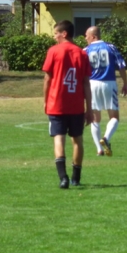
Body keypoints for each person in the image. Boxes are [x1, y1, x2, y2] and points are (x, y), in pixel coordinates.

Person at [42, 20, 93, 189]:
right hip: (76, 104)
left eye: (56, 33)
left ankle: (63, 177)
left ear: (64, 34)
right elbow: (86, 83)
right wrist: (89, 108)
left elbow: (47, 79)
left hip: (57, 103)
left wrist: (45, 100)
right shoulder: (82, 53)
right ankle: (76, 178)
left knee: (59, 138)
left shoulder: (54, 51)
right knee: (77, 140)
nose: (54, 37)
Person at [83, 26, 127, 156]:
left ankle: (99, 149)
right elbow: (121, 66)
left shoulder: (85, 50)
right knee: (114, 117)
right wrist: (125, 83)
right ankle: (106, 138)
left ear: (93, 36)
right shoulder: (111, 47)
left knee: (95, 118)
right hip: (109, 83)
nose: (85, 38)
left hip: (92, 84)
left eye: (87, 35)